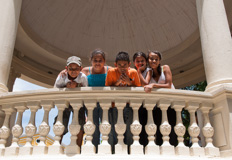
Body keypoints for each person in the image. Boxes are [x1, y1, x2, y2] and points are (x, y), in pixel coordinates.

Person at [106, 51, 141, 153]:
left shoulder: (133, 72)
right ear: (115, 64)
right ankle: (114, 152)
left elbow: (139, 89)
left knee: (129, 130)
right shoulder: (111, 72)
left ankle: (129, 152)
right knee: (114, 130)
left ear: (129, 64)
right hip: (114, 106)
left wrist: (129, 82)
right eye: (119, 65)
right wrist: (117, 82)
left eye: (125, 65)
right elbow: (107, 88)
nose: (122, 67)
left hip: (129, 105)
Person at [81, 49, 113, 152]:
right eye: (95, 60)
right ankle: (92, 150)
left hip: (106, 104)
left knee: (107, 126)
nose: (98, 63)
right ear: (91, 60)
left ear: (104, 61)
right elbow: (76, 81)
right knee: (92, 127)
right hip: (91, 104)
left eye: (100, 60)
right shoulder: (86, 71)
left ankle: (107, 149)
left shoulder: (110, 70)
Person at [144, 50, 177, 146]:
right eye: (151, 59)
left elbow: (168, 85)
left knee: (172, 127)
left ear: (159, 61)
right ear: (148, 60)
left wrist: (153, 84)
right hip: (157, 105)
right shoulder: (149, 72)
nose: (153, 61)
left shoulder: (165, 68)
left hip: (170, 103)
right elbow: (145, 84)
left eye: (156, 59)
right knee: (159, 129)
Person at [54, 56, 87, 147]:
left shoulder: (82, 77)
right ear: (66, 68)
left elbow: (86, 91)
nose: (73, 71)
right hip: (65, 102)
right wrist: (66, 88)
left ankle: (78, 147)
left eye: (76, 68)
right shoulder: (62, 76)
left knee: (80, 122)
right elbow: (55, 90)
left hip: (78, 102)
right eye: (71, 68)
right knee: (61, 121)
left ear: (81, 69)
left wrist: (76, 87)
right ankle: (57, 145)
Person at [132, 52, 152, 147]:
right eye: (137, 61)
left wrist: (139, 72)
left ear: (146, 61)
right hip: (135, 102)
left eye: (142, 61)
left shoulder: (149, 70)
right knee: (136, 125)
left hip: (147, 102)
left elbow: (145, 84)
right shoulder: (131, 71)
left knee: (146, 124)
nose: (140, 63)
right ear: (134, 62)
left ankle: (147, 146)